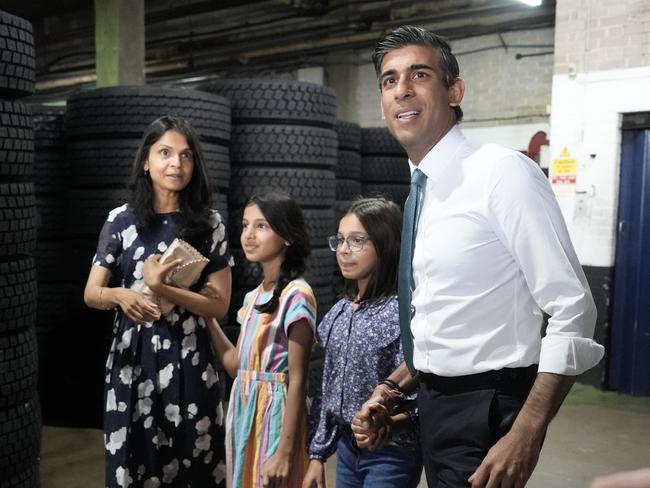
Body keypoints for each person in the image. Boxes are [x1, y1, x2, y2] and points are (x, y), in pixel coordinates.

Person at [351, 25, 605, 488]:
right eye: (389, 80)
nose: (402, 89)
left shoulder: (501, 174)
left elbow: (574, 309)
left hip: (488, 408)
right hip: (433, 403)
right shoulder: (421, 193)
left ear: (454, 91)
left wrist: (527, 431)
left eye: (419, 74)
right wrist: (394, 390)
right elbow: (446, 319)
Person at [84, 115, 232, 488]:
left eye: (186, 156)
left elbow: (219, 306)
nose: (176, 164)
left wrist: (162, 287)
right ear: (146, 161)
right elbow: (92, 293)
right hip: (133, 361)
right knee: (134, 463)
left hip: (191, 358)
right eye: (165, 153)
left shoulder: (208, 224)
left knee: (194, 465)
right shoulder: (120, 221)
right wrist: (120, 295)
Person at [302, 197, 422, 488]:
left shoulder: (404, 314)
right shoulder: (340, 313)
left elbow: (423, 391)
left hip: (391, 453)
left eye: (357, 240)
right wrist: (317, 455)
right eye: (340, 240)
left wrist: (393, 424)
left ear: (385, 244)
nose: (344, 250)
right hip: (346, 449)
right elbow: (326, 390)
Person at [202, 191, 316, 488]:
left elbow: (298, 380)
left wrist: (284, 451)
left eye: (261, 226)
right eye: (245, 225)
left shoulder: (297, 296)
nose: (249, 235)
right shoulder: (253, 298)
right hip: (245, 413)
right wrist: (206, 315)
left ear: (287, 236)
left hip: (275, 416)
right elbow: (235, 365)